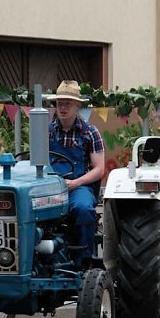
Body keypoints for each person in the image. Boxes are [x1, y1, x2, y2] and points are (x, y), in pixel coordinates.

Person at [45, 80, 106, 267]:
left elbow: (99, 169)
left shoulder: (90, 132)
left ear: (77, 105)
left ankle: (83, 261)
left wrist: (76, 183)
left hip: (78, 186)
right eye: (59, 103)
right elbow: (36, 163)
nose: (62, 108)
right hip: (49, 186)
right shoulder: (46, 131)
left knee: (83, 209)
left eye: (68, 103)